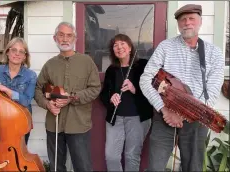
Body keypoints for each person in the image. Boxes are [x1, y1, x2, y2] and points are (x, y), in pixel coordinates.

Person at [139, 4, 225, 171]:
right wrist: (164, 109)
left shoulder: (214, 52)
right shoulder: (165, 47)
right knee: (155, 166)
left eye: (191, 18)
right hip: (164, 114)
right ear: (178, 24)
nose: (187, 22)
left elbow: (213, 90)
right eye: (183, 19)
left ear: (200, 21)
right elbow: (145, 79)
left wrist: (185, 113)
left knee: (193, 166)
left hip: (197, 116)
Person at [34, 21, 101, 172]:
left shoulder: (87, 62)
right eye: (61, 35)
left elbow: (95, 88)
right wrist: (47, 104)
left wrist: (71, 97)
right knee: (56, 167)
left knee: (83, 167)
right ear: (55, 38)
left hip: (78, 124)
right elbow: (38, 89)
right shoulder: (49, 65)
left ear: (75, 39)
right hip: (54, 124)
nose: (65, 39)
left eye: (69, 35)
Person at [99, 34, 153, 171]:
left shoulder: (142, 66)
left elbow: (153, 91)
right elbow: (104, 94)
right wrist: (111, 97)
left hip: (137, 118)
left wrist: (134, 89)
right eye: (115, 45)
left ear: (130, 48)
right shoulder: (112, 70)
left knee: (131, 156)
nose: (119, 47)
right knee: (111, 156)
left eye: (122, 44)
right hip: (115, 118)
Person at [0, 37, 37, 145]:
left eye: (21, 51)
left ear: (24, 57)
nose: (17, 54)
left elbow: (26, 101)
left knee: (18, 155)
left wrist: (5, 89)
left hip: (20, 122)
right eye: (14, 50)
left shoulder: (31, 75)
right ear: (8, 52)